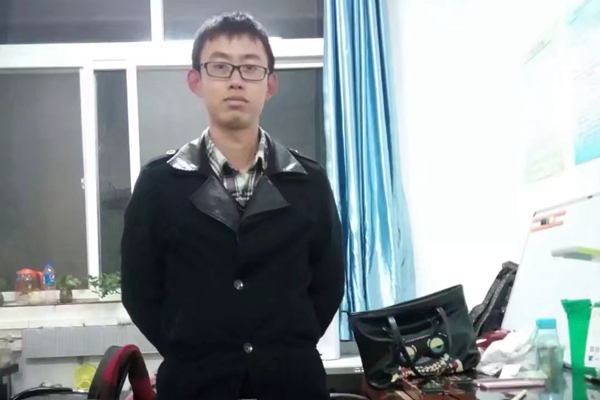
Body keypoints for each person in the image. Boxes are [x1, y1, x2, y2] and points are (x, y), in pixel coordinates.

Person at [121, 11, 345, 400]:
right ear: (196, 80)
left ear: (270, 85)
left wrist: (284, 347)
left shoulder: (307, 181)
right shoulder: (160, 183)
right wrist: (191, 349)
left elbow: (328, 284)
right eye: (220, 66)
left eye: (251, 68)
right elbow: (139, 290)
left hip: (292, 385)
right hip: (194, 387)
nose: (236, 80)